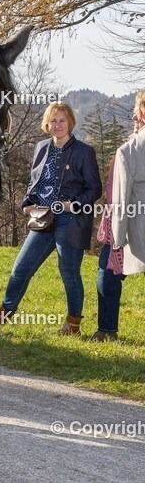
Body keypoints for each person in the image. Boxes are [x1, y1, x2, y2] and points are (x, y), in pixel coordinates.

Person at [0, 102, 102, 335]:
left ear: (70, 123)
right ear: (46, 124)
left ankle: (73, 325)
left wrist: (74, 204)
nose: (57, 125)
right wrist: (27, 202)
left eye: (62, 120)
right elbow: (34, 181)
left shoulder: (83, 151)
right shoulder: (41, 147)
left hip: (70, 219)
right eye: (53, 121)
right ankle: (3, 314)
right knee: (21, 267)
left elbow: (94, 188)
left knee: (69, 272)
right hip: (42, 218)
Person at [94, 90, 145, 341]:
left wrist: (116, 238)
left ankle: (106, 330)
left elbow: (122, 200)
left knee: (108, 271)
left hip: (136, 227)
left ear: (141, 112)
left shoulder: (130, 150)